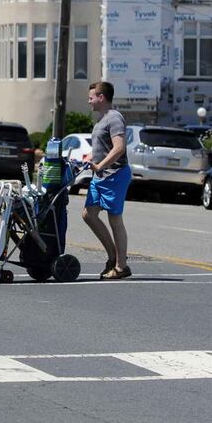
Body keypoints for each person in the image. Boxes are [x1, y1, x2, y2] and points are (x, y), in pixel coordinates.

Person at [82, 82, 132, 280]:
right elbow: (104, 147)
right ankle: (113, 255)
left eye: (91, 97)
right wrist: (90, 158)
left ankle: (121, 266)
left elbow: (119, 148)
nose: (89, 101)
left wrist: (100, 165)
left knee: (115, 219)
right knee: (89, 214)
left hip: (114, 175)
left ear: (101, 97)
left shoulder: (114, 118)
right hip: (100, 175)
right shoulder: (101, 120)